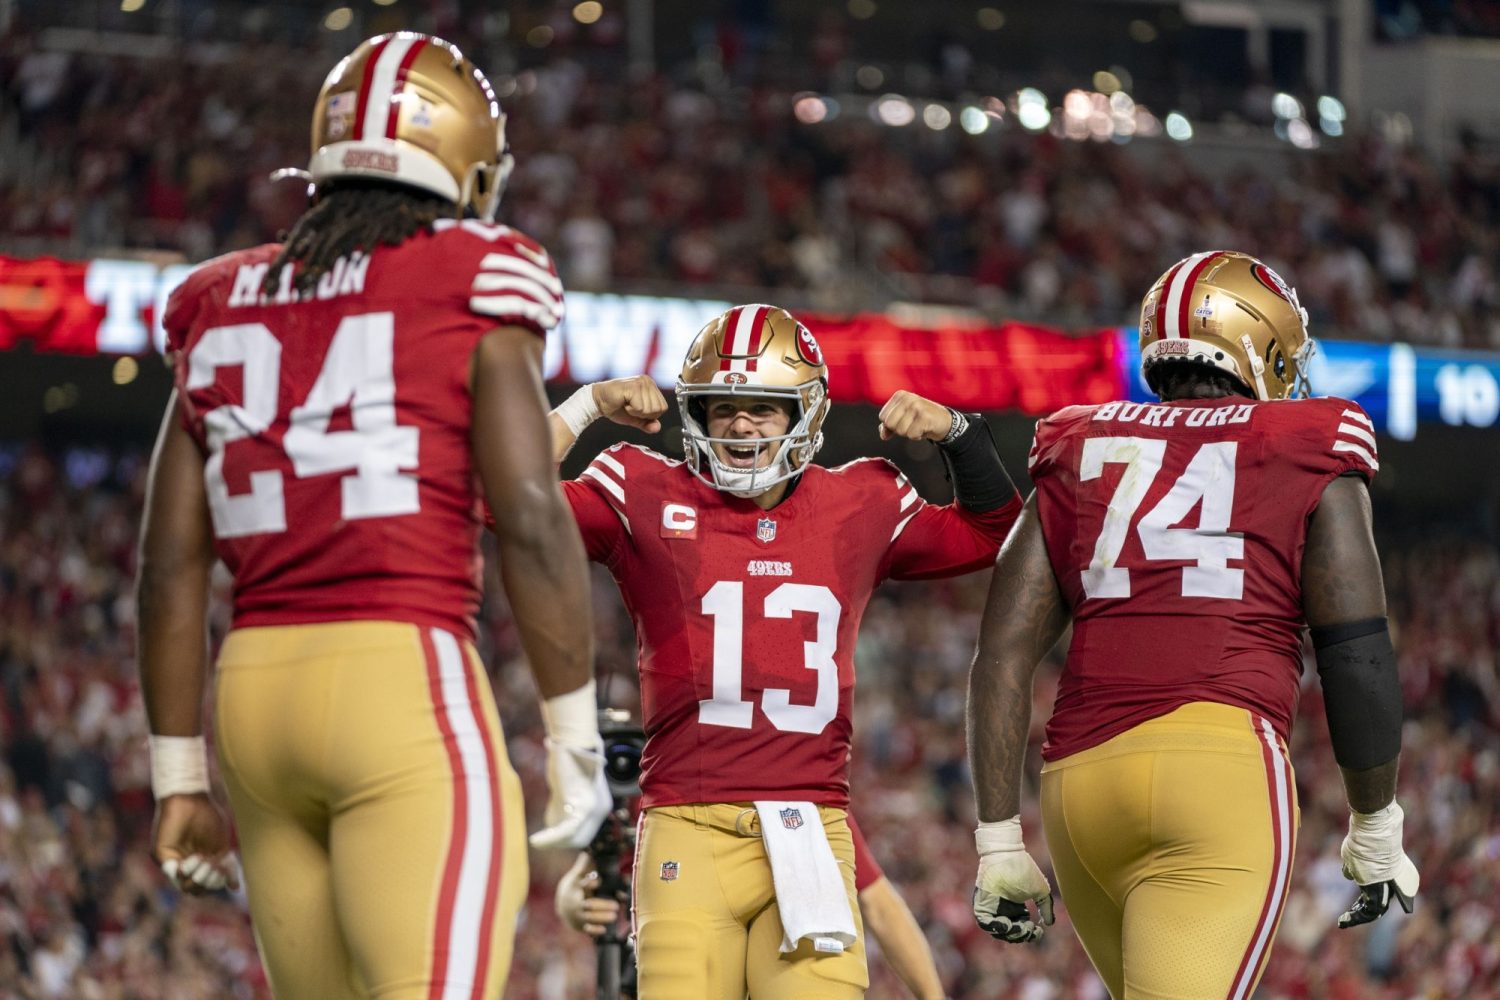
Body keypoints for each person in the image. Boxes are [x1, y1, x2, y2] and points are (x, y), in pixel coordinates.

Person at [136, 32, 610, 999]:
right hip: (401, 678)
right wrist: (574, 737)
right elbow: (526, 510)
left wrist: (178, 775)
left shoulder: (219, 298)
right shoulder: (473, 269)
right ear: (468, 172)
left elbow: (169, 563)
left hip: (254, 698)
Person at [965, 251, 1421, 998]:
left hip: (1080, 794)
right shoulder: (1311, 438)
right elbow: (1355, 649)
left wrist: (996, 837)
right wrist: (1375, 823)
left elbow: (1003, 652)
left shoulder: (1079, 441)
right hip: (1218, 773)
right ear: (1261, 343)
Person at [544, 303, 1021, 999]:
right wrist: (585, 404)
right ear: (695, 416)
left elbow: (994, 532)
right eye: (723, 407)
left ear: (806, 411)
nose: (741, 425)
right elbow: (501, 498)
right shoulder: (641, 488)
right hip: (686, 818)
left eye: (764, 408)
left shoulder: (863, 498)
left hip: (811, 825)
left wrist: (958, 433)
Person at [553, 814, 948, 999]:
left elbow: (878, 900)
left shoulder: (789, 793)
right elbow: (579, 878)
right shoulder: (666, 778)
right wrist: (573, 902)